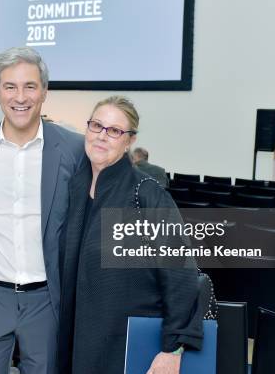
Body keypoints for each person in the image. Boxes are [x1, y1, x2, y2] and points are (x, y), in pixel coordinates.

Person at [0, 47, 85, 374]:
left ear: (44, 91)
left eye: (30, 86)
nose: (20, 96)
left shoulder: (72, 149)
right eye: (10, 86)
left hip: (46, 298)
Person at [58, 96, 202, 374]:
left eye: (114, 131)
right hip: (76, 341)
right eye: (97, 125)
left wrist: (173, 349)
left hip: (124, 347)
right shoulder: (76, 187)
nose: (102, 136)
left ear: (129, 141)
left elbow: (181, 275)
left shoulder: (145, 193)